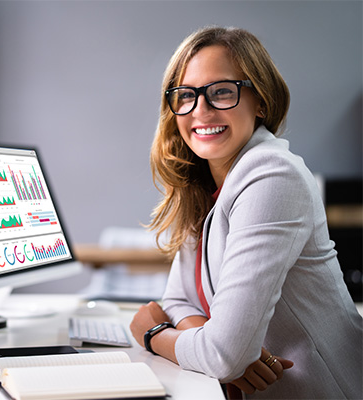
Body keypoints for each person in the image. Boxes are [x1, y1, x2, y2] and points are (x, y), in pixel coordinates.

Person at [129, 26, 363, 399]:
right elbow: (177, 301)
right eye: (185, 95)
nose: (200, 110)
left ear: (262, 102)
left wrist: (154, 334)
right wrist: (207, 339)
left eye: (221, 91)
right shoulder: (204, 185)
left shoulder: (272, 175)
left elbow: (222, 356)